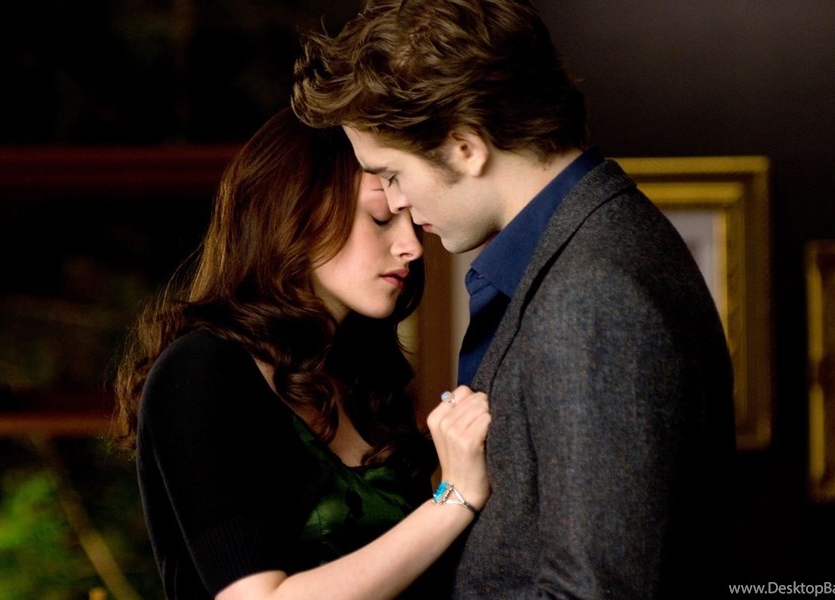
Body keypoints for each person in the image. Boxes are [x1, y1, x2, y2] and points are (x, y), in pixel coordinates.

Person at [292, 1, 736, 598]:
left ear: (464, 147)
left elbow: (594, 591)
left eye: (391, 173)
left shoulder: (591, 292)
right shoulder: (588, 246)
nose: (394, 202)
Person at [112, 107, 491, 600]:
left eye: (413, 222)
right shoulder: (199, 370)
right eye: (380, 218)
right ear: (298, 214)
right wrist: (455, 497)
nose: (411, 247)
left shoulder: (362, 378)